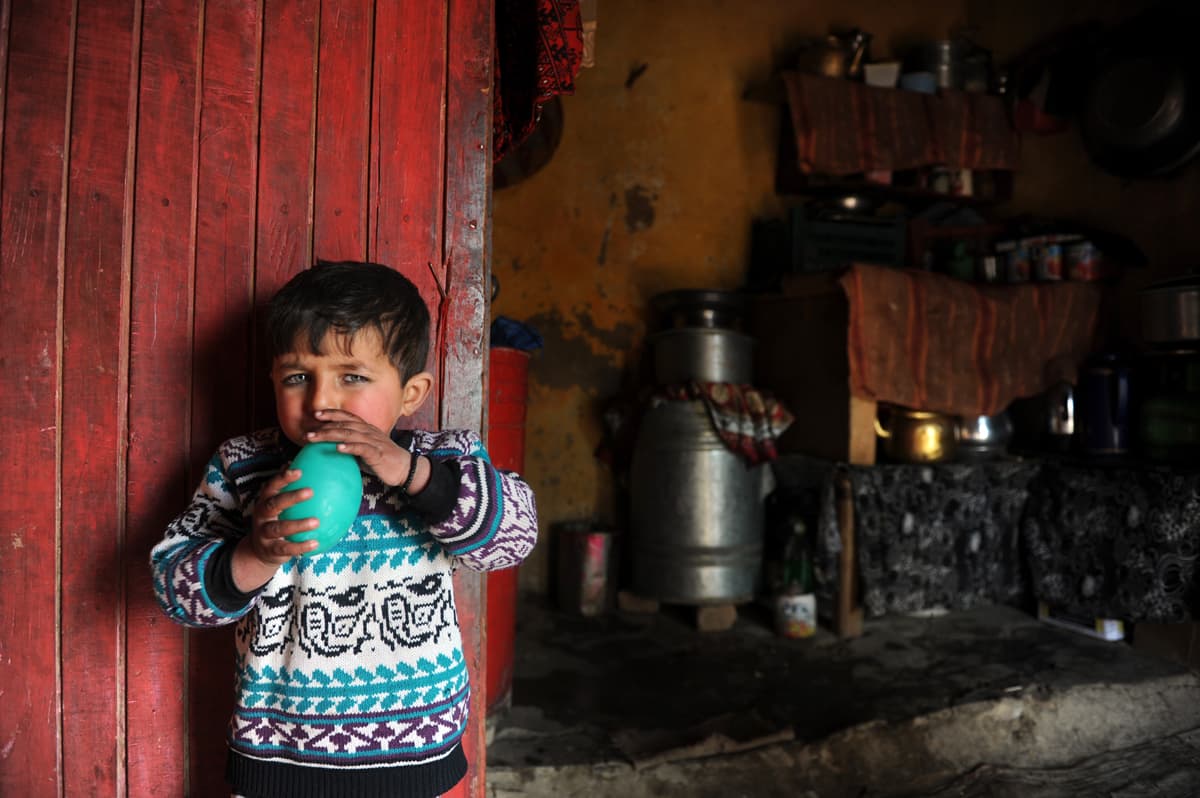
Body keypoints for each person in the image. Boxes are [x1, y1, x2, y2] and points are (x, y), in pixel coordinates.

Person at [150, 260, 538, 798]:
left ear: (411, 392)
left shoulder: (442, 460)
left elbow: (514, 537)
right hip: (279, 762)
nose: (321, 401)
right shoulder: (244, 467)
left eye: (352, 376)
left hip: (418, 762)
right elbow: (173, 587)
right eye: (297, 377)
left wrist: (412, 475)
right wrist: (255, 554)